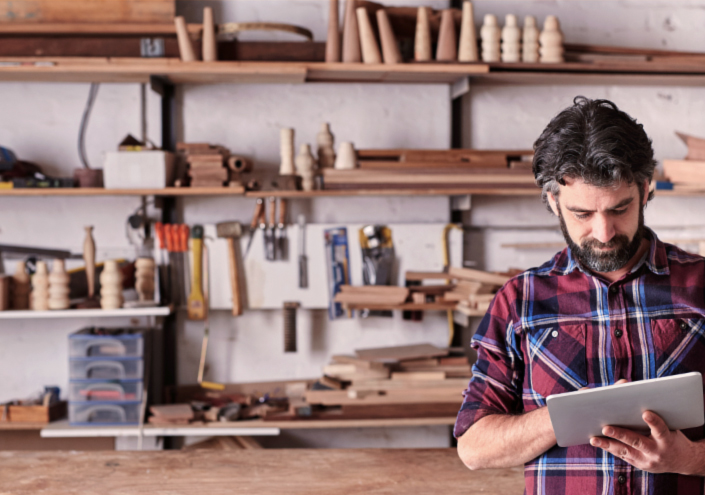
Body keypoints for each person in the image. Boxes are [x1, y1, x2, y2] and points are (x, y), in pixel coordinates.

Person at [455, 96, 705, 494]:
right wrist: (568, 415)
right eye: (583, 214)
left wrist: (689, 459)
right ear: (554, 201)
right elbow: (473, 447)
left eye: (620, 209)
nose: (604, 233)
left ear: (645, 189)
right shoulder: (520, 301)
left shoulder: (700, 286)